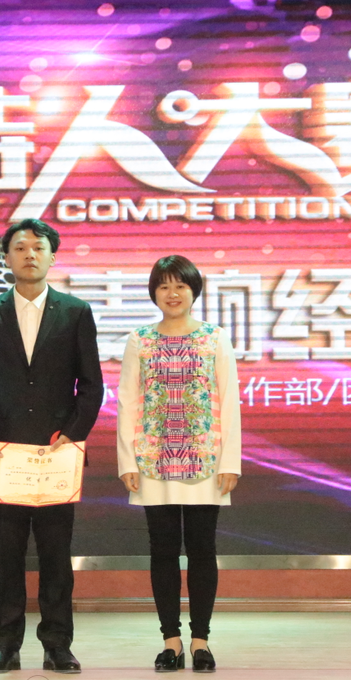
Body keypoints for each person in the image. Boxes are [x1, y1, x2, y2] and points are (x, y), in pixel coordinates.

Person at [0, 219, 103, 675]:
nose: (29, 255)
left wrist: (73, 435)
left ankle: (57, 644)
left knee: (56, 554)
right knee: (7, 554)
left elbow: (92, 385)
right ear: (6, 258)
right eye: (19, 248)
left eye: (38, 247)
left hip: (57, 455)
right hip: (5, 457)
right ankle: (5, 645)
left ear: (52, 256)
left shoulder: (75, 311)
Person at [115, 255, 242, 674]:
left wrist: (230, 461)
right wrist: (127, 460)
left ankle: (201, 641)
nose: (172, 294)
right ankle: (171, 641)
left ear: (194, 291)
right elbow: (128, 401)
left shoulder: (214, 338)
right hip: (153, 459)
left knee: (203, 550)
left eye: (181, 286)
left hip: (206, 458)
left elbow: (229, 400)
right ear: (154, 292)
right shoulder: (139, 340)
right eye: (164, 286)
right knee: (163, 551)